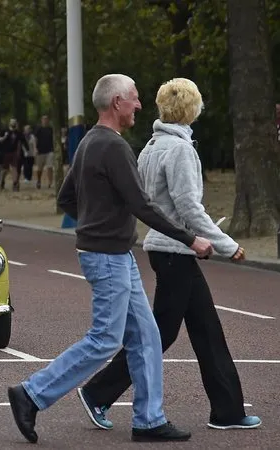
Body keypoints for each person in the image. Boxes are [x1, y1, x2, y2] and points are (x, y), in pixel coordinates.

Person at [6, 74, 214, 444]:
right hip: (108, 256)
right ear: (117, 102)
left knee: (147, 336)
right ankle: (31, 393)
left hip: (110, 253)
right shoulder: (114, 147)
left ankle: (149, 420)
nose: (138, 105)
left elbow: (66, 199)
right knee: (104, 339)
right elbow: (141, 205)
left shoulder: (89, 142)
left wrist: (97, 220)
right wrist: (190, 238)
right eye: (134, 99)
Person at [78, 78, 261, 432]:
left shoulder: (151, 146)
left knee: (203, 330)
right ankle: (99, 392)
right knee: (160, 334)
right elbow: (189, 208)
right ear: (192, 109)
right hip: (176, 250)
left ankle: (227, 410)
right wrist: (226, 244)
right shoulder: (180, 150)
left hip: (166, 250)